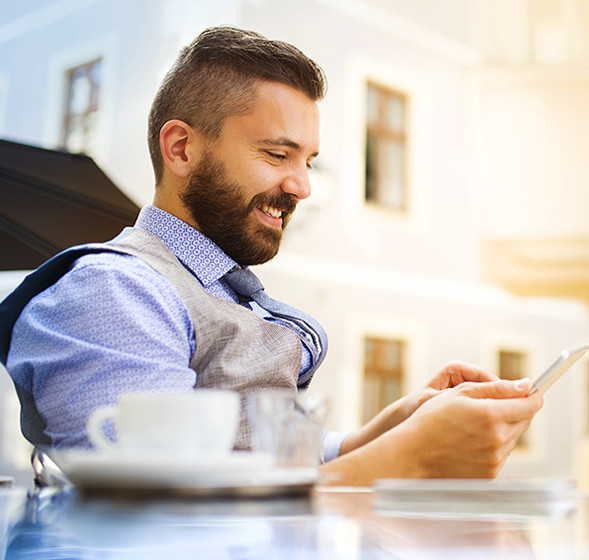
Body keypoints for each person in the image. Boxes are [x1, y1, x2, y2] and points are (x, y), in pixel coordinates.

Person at [0, 26, 543, 485]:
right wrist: (409, 458)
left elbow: (249, 459)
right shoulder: (111, 292)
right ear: (182, 149)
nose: (302, 186)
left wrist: (387, 430)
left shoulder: (215, 287)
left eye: (308, 160)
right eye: (277, 154)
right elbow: (161, 513)